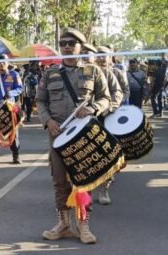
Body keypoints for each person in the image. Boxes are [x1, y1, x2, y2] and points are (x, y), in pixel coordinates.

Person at [36, 28, 110, 244]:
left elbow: (105, 97)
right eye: (63, 43)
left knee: (83, 179)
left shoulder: (93, 71)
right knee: (59, 180)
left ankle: (83, 225)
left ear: (80, 46)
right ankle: (63, 224)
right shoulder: (49, 73)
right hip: (57, 135)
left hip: (83, 136)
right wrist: (47, 121)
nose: (67, 46)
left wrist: (94, 108)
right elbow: (41, 101)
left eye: (72, 43)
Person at [90, 46, 124, 205]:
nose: (101, 59)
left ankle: (104, 189)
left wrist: (109, 109)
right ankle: (85, 189)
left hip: (106, 118)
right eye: (98, 55)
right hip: (87, 120)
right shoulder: (85, 72)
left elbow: (119, 93)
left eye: (105, 56)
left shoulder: (113, 73)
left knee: (107, 155)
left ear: (110, 58)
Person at [149, 53, 167, 118]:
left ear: (156, 64)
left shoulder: (155, 71)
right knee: (160, 99)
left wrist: (151, 88)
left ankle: (156, 112)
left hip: (156, 86)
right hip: (162, 86)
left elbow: (153, 80)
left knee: (153, 98)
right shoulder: (164, 70)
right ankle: (161, 113)